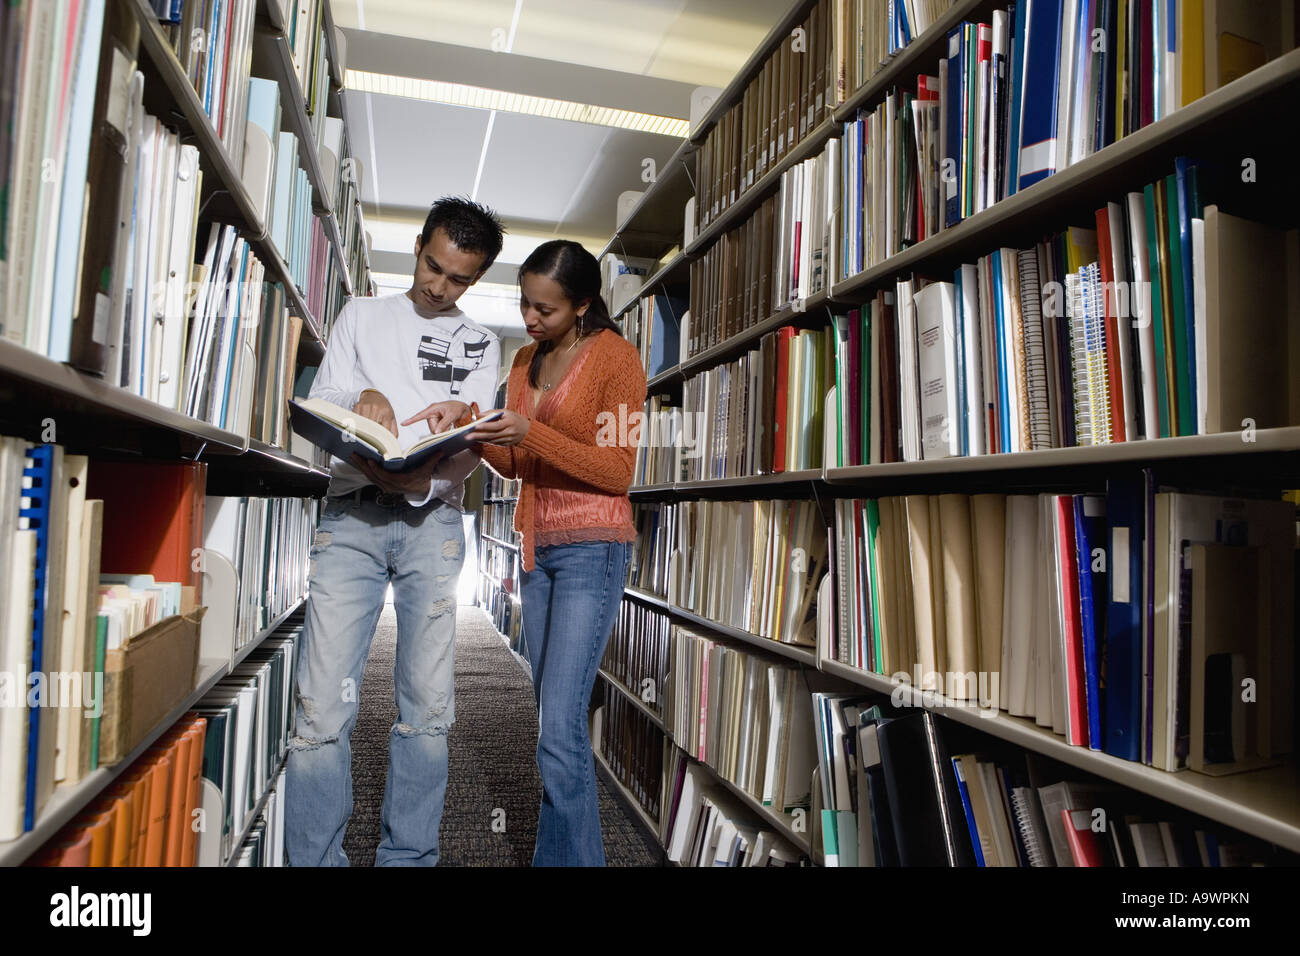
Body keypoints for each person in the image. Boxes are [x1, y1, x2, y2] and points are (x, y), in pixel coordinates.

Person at [285, 196, 505, 866]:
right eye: (433, 267)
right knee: (321, 709)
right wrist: (360, 400)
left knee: (428, 710)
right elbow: (321, 403)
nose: (439, 287)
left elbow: (473, 447)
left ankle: (407, 858)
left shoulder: (481, 343)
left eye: (458, 279)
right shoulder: (361, 314)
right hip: (350, 517)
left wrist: (427, 480)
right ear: (417, 245)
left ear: (477, 279)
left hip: (432, 525)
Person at [470, 239, 646, 866]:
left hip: (591, 551)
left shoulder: (617, 360)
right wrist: (470, 430)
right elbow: (520, 464)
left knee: (561, 728)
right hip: (535, 553)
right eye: (524, 303)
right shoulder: (523, 362)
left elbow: (617, 470)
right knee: (550, 717)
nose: (530, 318)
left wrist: (532, 431)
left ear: (582, 306)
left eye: (545, 308)